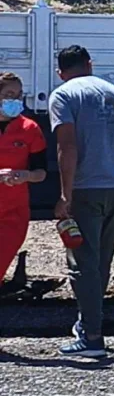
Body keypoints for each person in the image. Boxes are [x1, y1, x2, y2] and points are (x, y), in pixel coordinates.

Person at [49, 45, 114, 357]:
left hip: (87, 187)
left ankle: (92, 337)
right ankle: (88, 323)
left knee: (82, 262)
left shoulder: (64, 95)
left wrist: (66, 194)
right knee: (102, 259)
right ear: (90, 65)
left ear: (60, 72)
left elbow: (67, 147)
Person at [0, 72, 48, 289]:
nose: (15, 100)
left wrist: (26, 176)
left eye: (19, 95)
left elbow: (41, 172)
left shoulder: (30, 128)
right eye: (9, 94)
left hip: (13, 212)